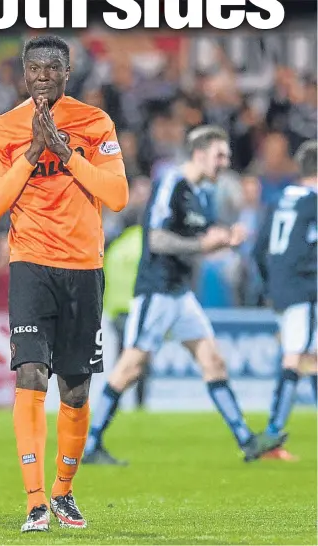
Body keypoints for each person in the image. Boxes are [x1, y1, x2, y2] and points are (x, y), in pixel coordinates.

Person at [82, 125, 287, 466]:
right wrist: (203, 244)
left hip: (180, 293)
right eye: (220, 155)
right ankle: (90, 445)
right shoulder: (171, 183)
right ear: (200, 153)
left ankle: (247, 441)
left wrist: (220, 240)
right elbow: (158, 241)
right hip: (157, 291)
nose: (225, 162)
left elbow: (195, 242)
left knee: (213, 360)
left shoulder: (201, 193)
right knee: (130, 368)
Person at [0, 35, 128, 532]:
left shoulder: (94, 122)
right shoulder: (3, 129)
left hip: (83, 267)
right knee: (30, 375)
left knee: (75, 389)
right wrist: (31, 153)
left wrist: (67, 154)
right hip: (30, 264)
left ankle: (64, 492)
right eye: (34, 69)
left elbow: (115, 195)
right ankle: (34, 503)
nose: (43, 76)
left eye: (52, 68)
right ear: (23, 75)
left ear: (67, 74)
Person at [253, 140, 317, 461]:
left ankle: (273, 436)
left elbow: (258, 249)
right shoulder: (314, 203)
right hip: (306, 290)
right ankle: (272, 437)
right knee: (296, 357)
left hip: (283, 289)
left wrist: (271, 286)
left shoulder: (280, 200)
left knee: (313, 358)